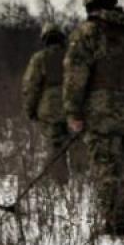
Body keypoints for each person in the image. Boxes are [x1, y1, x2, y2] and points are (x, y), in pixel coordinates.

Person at [63, 0, 124, 238]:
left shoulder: (87, 33)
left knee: (104, 165)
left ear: (89, 5)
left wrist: (73, 111)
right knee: (120, 164)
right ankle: (119, 215)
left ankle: (114, 223)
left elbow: (75, 75)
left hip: (100, 111)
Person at [21, 23, 71, 182]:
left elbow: (31, 87)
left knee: (56, 146)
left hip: (50, 109)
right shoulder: (72, 56)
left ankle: (60, 181)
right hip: (74, 107)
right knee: (77, 144)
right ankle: (82, 183)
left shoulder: (39, 58)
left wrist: (30, 110)